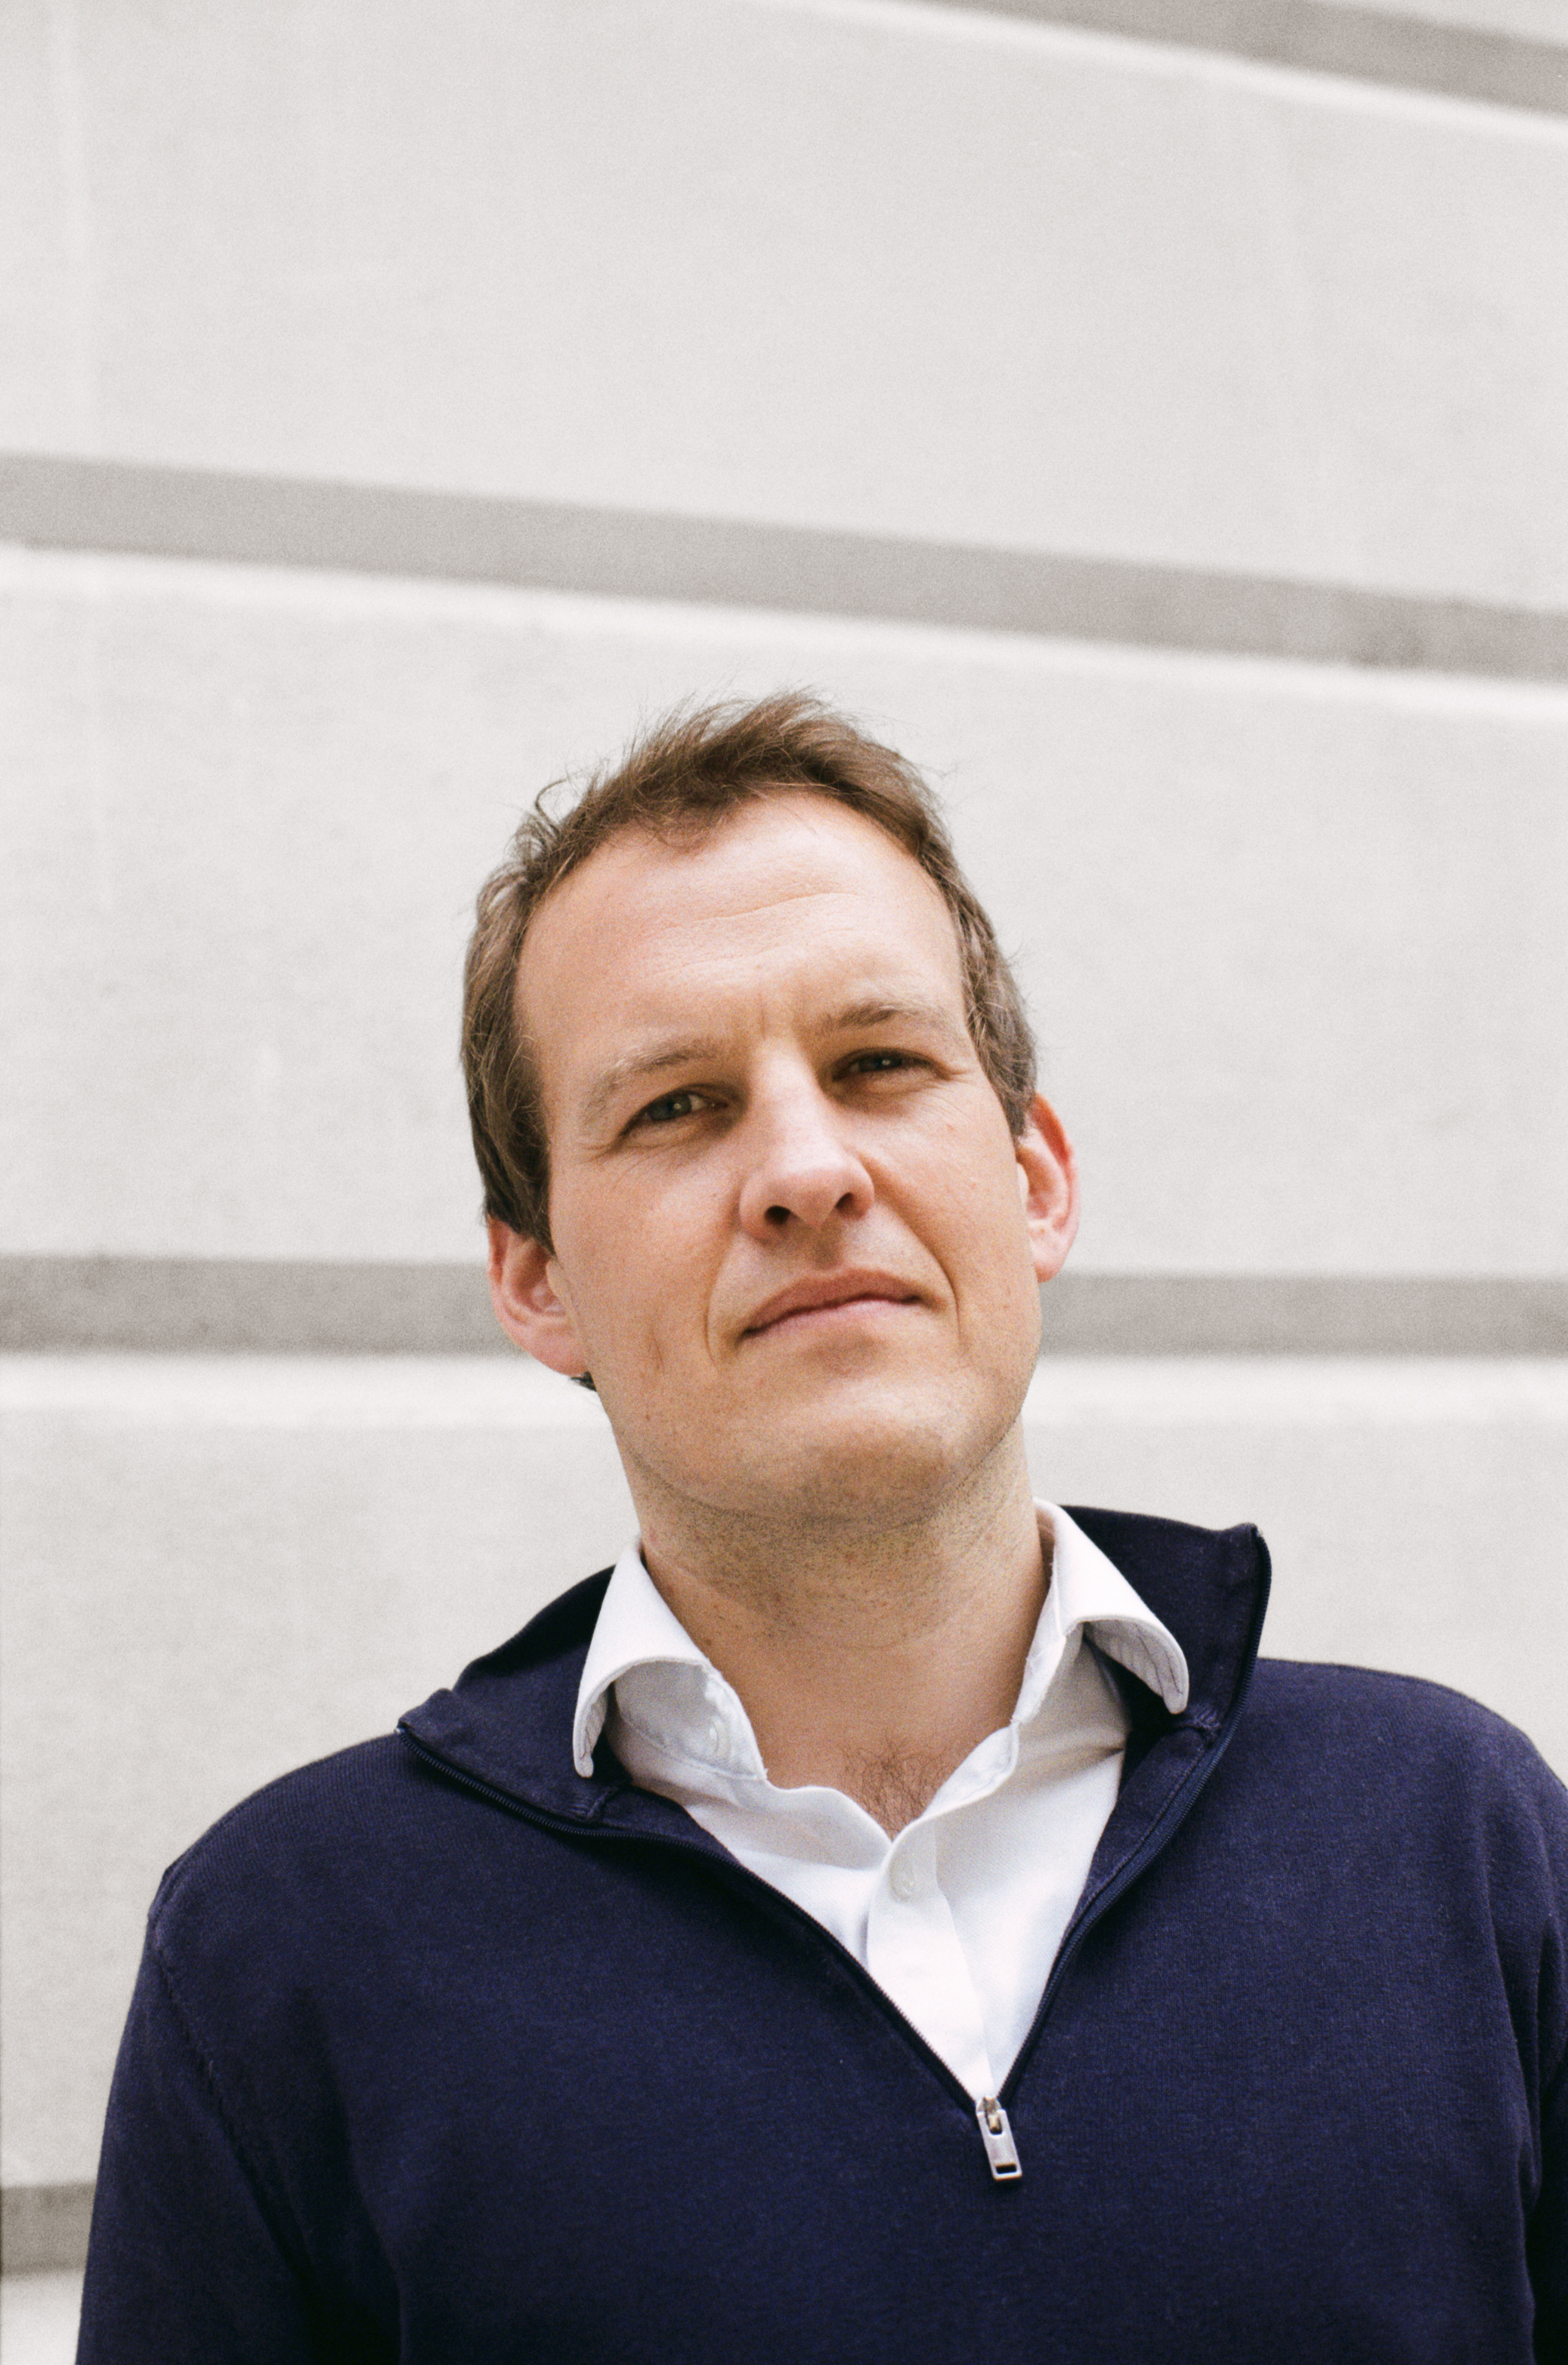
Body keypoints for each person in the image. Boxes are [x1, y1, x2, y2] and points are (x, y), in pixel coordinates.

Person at [80, 695, 1566, 2362]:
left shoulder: (1459, 1838)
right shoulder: (286, 1950)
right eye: (676, 1106)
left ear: (1037, 1179)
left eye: (879, 1063)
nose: (805, 1168)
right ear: (535, 1278)